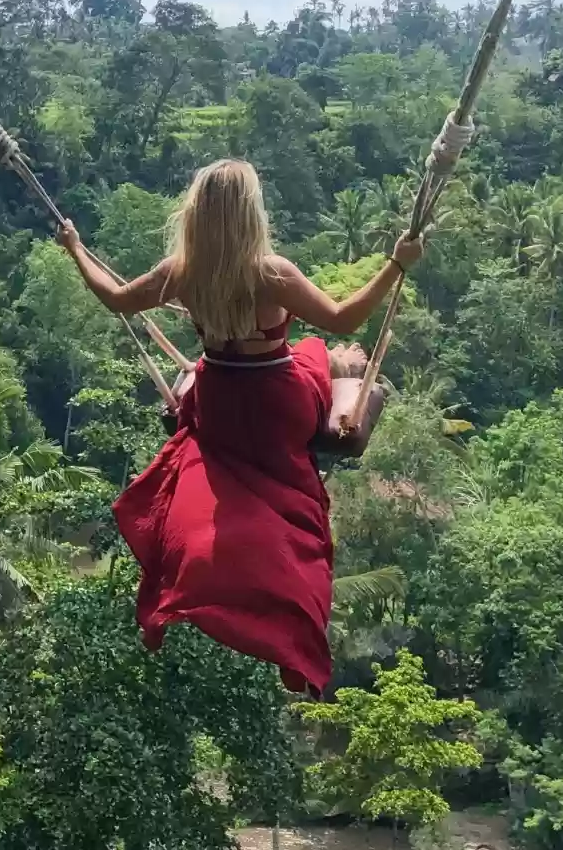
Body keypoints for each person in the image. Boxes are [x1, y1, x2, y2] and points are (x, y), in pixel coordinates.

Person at [56, 156, 434, 695]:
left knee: (289, 361)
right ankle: (344, 367)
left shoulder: (181, 272)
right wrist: (396, 265)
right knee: (314, 349)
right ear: (249, 214)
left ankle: (332, 367)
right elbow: (344, 316)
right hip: (279, 402)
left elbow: (115, 299)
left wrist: (75, 249)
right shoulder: (270, 272)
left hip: (219, 403)